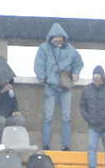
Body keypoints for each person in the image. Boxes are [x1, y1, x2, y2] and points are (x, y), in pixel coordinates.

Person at [34, 23, 82, 151]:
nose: (57, 40)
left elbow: (79, 63)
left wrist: (76, 73)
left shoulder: (71, 49)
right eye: (55, 38)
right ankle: (46, 144)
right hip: (50, 86)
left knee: (67, 117)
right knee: (48, 117)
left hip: (66, 87)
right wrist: (42, 77)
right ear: (51, 37)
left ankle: (66, 145)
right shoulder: (44, 48)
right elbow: (38, 64)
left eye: (59, 38)